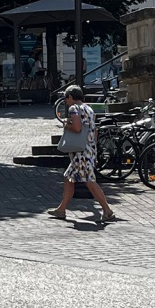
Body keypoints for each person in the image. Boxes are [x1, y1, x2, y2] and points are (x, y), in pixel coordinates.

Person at [50, 84, 117, 224]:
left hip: (81, 152)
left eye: (66, 98)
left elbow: (76, 127)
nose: (66, 102)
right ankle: (61, 209)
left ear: (70, 97)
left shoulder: (74, 109)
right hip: (89, 149)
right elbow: (94, 130)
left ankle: (107, 211)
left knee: (89, 181)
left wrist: (65, 125)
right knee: (69, 177)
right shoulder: (89, 109)